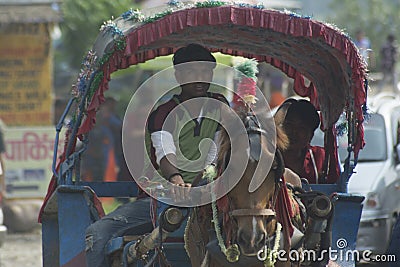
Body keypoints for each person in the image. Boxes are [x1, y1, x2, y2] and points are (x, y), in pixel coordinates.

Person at [85, 43, 228, 267]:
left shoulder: (220, 106)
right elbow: (164, 154)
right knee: (97, 233)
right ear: (178, 75)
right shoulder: (164, 112)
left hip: (209, 198)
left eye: (205, 71)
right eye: (192, 72)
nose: (200, 78)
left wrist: (201, 183)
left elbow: (216, 151)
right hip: (161, 198)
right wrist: (176, 180)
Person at [274, 99, 340, 184]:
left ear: (311, 135)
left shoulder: (319, 157)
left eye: (301, 128)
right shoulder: (269, 157)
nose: (294, 132)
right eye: (289, 125)